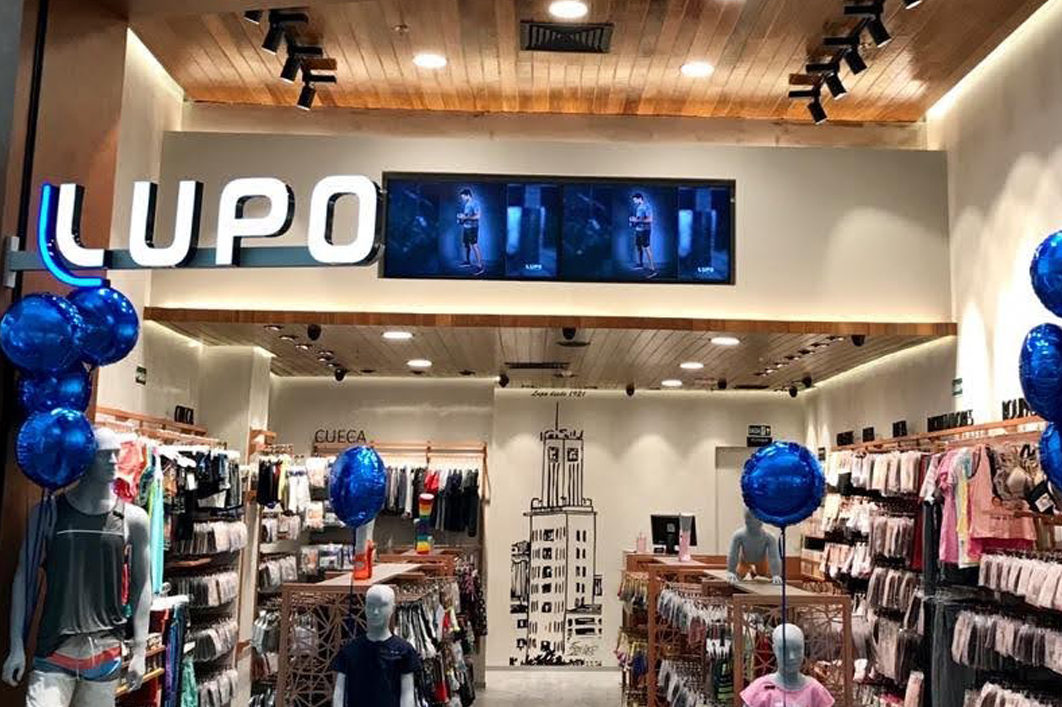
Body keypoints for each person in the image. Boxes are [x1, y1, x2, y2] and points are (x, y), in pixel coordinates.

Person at [3, 427, 152, 707]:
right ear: (84, 457)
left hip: (105, 654)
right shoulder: (47, 512)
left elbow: (142, 584)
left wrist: (141, 650)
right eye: (104, 454)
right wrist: (16, 646)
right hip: (54, 652)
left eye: (116, 454)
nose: (113, 461)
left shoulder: (134, 519)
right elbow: (24, 578)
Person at [456, 188, 484, 275]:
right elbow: (467, 216)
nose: (462, 199)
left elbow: (478, 216)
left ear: (468, 195)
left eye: (463, 197)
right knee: (466, 245)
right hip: (466, 227)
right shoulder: (467, 204)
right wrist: (461, 219)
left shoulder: (475, 203)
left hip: (473, 228)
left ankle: (480, 267)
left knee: (474, 245)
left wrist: (465, 217)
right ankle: (467, 261)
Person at [629, 192, 656, 278]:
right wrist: (633, 221)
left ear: (639, 198)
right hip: (638, 230)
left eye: (635, 200)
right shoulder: (639, 207)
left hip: (645, 230)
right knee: (638, 246)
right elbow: (639, 219)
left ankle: (652, 270)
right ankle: (640, 264)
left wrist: (637, 220)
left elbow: (650, 219)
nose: (634, 202)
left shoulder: (647, 206)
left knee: (647, 248)